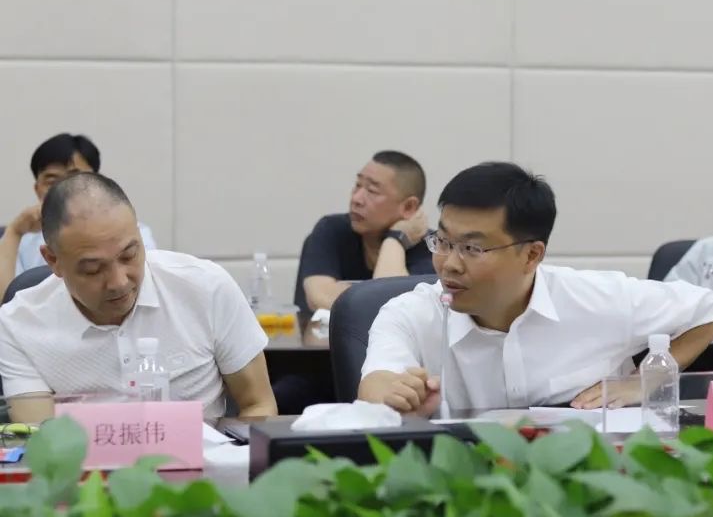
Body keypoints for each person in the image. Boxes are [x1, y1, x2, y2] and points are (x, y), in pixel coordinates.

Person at [357, 162, 713, 415]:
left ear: (531, 254)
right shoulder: (410, 314)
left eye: (472, 248)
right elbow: (375, 384)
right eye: (443, 242)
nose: (449, 263)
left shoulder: (599, 299)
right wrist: (393, 395)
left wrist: (644, 384)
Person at [0, 173, 277, 423]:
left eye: (129, 255)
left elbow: (258, 404)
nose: (119, 282)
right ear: (53, 260)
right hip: (83, 466)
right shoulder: (19, 325)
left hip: (205, 462)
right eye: (93, 269)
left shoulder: (206, 287)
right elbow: (41, 440)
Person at [0, 133, 157, 298]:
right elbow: (6, 301)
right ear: (37, 189)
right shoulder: (20, 242)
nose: (64, 190)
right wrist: (14, 232)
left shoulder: (133, 233)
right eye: (51, 181)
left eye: (74, 178)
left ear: (96, 180)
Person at [298, 150, 434, 314]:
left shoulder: (433, 249)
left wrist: (396, 240)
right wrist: (367, 299)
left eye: (372, 191)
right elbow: (319, 298)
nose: (356, 199)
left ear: (408, 207)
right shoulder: (332, 229)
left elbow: (390, 307)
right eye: (358, 185)